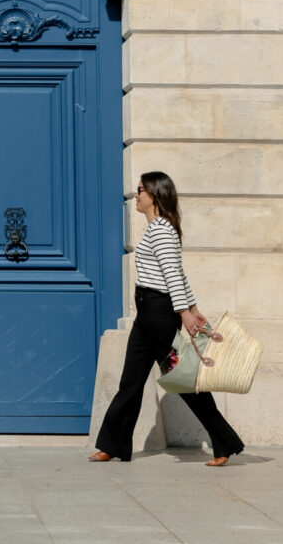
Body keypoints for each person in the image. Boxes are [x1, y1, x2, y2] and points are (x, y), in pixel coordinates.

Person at [89, 170, 244, 466]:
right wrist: (194, 307)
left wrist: (185, 313)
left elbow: (172, 275)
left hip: (159, 317)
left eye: (140, 191)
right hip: (147, 316)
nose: (136, 196)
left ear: (155, 196)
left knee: (182, 380)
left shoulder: (161, 230)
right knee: (131, 382)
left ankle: (225, 443)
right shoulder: (157, 229)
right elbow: (176, 273)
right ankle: (114, 445)